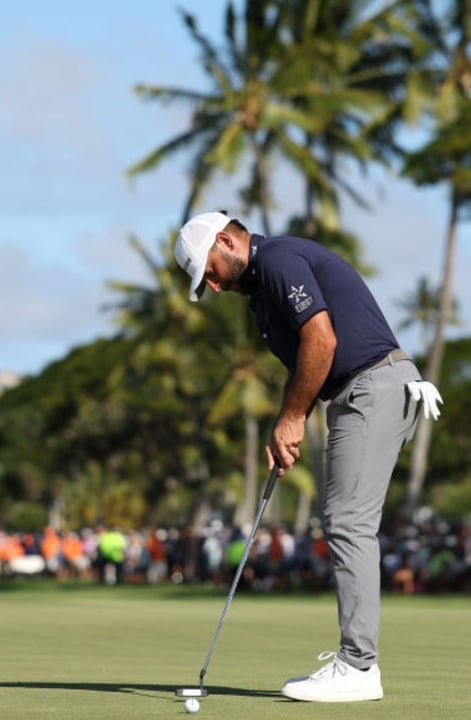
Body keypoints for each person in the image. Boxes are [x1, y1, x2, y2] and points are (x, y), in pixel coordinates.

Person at [174, 211, 442, 703]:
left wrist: (292, 418)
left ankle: (359, 666)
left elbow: (322, 338)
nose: (211, 286)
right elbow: (307, 363)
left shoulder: (276, 259)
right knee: (344, 521)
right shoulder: (260, 291)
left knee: (347, 523)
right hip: (358, 392)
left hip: (373, 386)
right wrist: (288, 420)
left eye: (208, 270)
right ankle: (358, 662)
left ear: (227, 241)